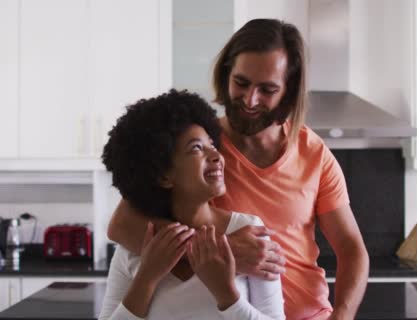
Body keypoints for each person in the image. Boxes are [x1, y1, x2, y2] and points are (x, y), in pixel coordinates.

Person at [107, 19, 369, 320]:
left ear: (288, 91)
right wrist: (225, 251)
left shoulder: (313, 152)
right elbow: (122, 225)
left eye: (267, 89)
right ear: (226, 75)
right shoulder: (200, 152)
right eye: (241, 83)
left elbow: (351, 248)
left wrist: (343, 315)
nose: (249, 100)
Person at [99, 89, 285, 319]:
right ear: (164, 176)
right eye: (196, 148)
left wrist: (226, 294)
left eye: (212, 145)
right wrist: (146, 278)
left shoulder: (249, 233)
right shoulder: (136, 245)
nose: (216, 156)